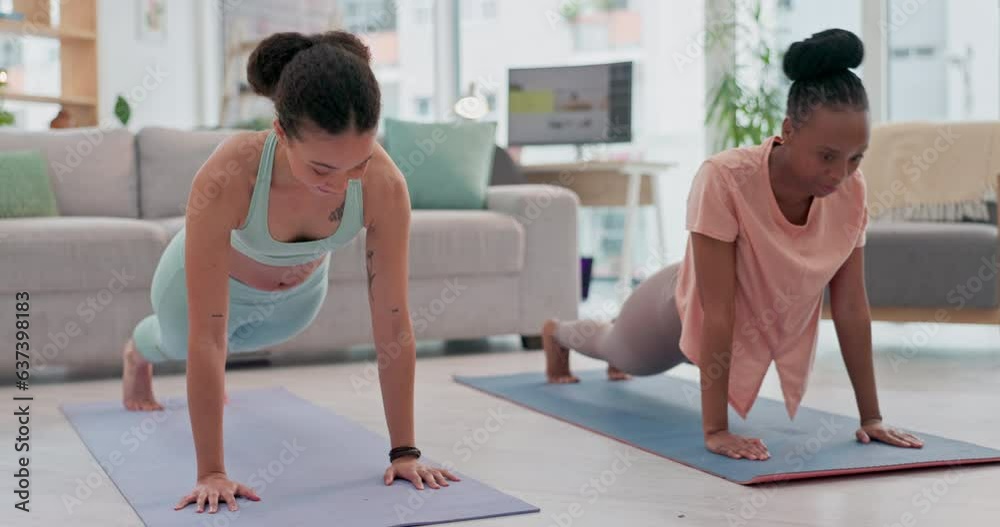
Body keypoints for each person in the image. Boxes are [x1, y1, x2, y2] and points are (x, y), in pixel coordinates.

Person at [541, 28, 925, 461]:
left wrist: (870, 417)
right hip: (677, 309)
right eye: (827, 155)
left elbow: (852, 306)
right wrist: (716, 430)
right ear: (788, 131)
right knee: (618, 351)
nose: (840, 173)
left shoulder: (851, 191)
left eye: (857, 157)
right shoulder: (725, 177)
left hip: (746, 326)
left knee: (619, 348)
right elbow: (716, 310)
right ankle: (560, 334)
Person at [120, 30, 458, 515]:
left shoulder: (385, 184)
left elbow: (392, 319)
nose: (339, 184)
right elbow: (208, 335)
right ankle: (137, 353)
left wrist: (404, 451)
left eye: (356, 164)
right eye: (321, 169)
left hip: (296, 303)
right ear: (280, 134)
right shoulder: (232, 172)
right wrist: (212, 471)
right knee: (176, 344)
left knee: (240, 344)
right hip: (204, 291)